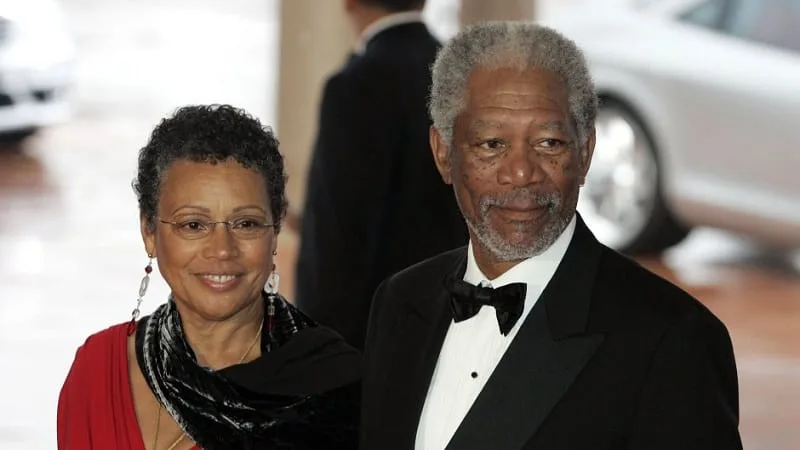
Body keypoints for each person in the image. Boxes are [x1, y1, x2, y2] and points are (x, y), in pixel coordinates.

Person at [360, 21, 743, 450]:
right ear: (444, 154)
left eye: (549, 143)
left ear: (585, 153)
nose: (521, 172)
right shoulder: (399, 301)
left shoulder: (673, 339)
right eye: (491, 144)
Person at [57, 105, 361, 450]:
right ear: (149, 231)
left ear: (275, 230)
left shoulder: (336, 391)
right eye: (193, 225)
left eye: (245, 224)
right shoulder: (96, 370)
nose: (222, 250)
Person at [295, 0, 468, 350]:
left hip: (377, 335)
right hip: (458, 321)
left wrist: (313, 348)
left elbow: (339, 236)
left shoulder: (356, 85)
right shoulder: (465, 76)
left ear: (349, 3)